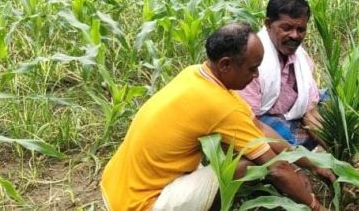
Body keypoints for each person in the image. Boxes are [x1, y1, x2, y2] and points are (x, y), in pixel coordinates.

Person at [100, 22, 333, 211]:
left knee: (242, 150)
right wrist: (315, 207)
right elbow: (276, 167)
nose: (256, 76)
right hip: (142, 204)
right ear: (225, 65)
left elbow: (259, 129)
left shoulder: (195, 74)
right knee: (246, 165)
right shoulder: (220, 106)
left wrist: (314, 166)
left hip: (116, 187)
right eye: (252, 68)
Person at [238, 0, 324, 149]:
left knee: (337, 104)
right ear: (268, 24)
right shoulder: (253, 62)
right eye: (287, 28)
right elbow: (248, 121)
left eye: (301, 30)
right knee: (283, 139)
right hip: (264, 117)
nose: (295, 36)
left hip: (295, 112)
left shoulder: (300, 57)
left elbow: (311, 104)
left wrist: (334, 147)